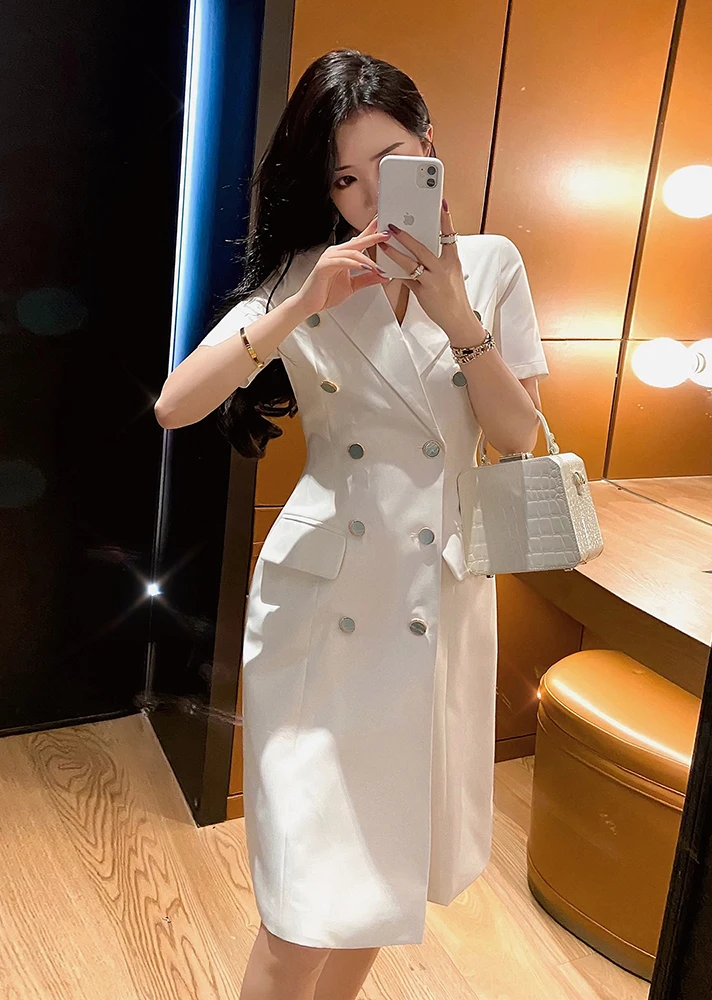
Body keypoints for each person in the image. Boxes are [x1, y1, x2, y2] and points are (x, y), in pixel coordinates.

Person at [155, 47, 548, 1000]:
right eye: (343, 179)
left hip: (437, 599)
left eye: (391, 164)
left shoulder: (491, 265)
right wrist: (300, 305)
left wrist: (459, 318)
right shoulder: (310, 273)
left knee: (379, 887)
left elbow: (518, 437)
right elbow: (176, 404)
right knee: (300, 911)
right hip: (321, 611)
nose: (371, 199)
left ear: (430, 151)